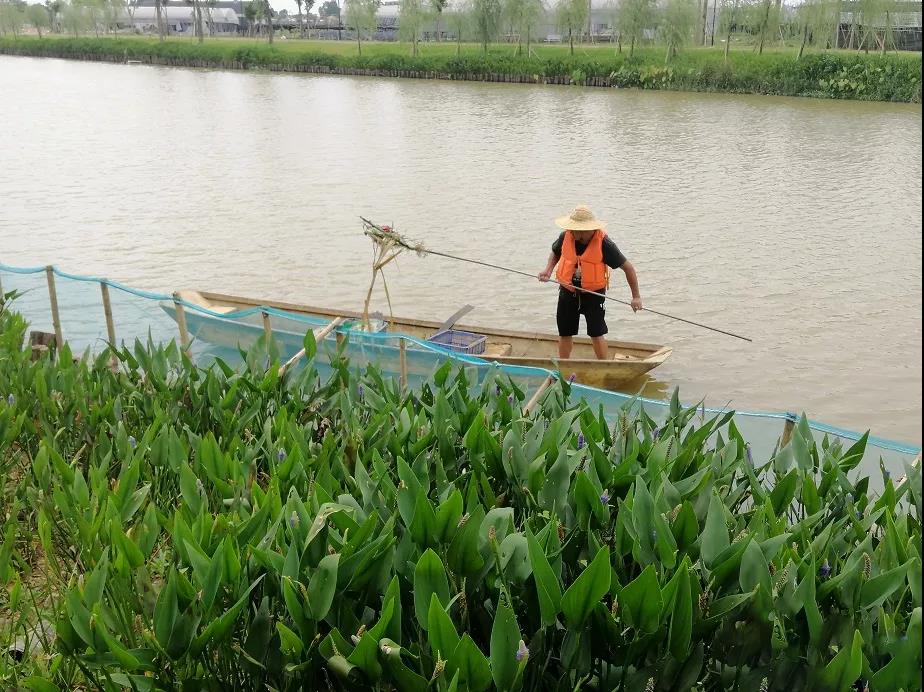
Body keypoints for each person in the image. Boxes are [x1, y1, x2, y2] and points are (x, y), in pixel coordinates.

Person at [537, 205, 642, 360]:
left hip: (593, 294)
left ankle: (603, 365)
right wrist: (548, 270)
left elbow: (628, 268)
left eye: (576, 229)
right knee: (565, 332)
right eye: (571, 229)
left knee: (596, 332)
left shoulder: (604, 244)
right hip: (568, 291)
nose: (572, 232)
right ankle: (564, 365)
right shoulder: (566, 236)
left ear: (586, 229)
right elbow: (556, 252)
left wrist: (636, 297)